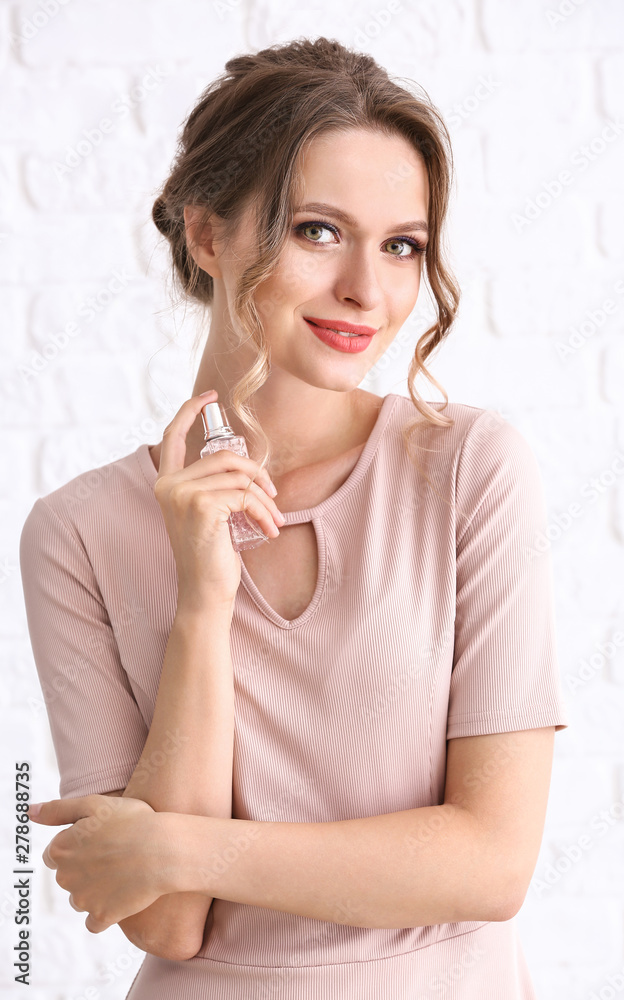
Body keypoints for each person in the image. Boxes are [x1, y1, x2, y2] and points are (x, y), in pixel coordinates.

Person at [19, 36, 569, 999]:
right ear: (206, 236)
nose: (369, 289)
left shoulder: (469, 470)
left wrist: (184, 847)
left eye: (402, 245)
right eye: (319, 231)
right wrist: (200, 604)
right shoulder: (76, 533)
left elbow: (491, 865)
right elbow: (162, 919)